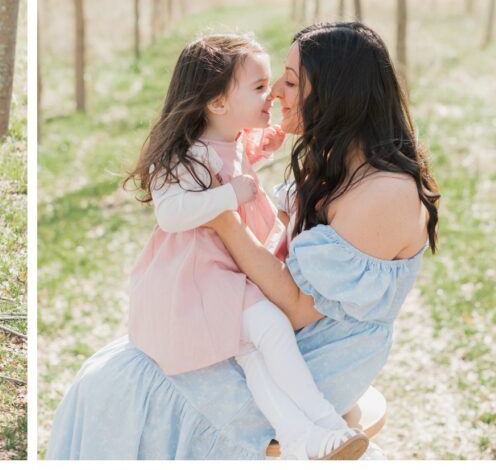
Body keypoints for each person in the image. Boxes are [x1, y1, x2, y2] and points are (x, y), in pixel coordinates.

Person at [46, 21, 440, 460]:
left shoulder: (385, 193)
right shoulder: (338, 162)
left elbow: (296, 306)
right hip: (278, 331)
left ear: (336, 95)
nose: (274, 94)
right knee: (110, 374)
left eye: (289, 82)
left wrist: (225, 222)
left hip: (316, 353)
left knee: (120, 386)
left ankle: (310, 432)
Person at [125, 33, 366, 460]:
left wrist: (266, 141)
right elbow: (171, 214)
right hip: (202, 277)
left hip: (228, 271)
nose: (271, 94)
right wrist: (229, 196)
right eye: (258, 88)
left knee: (256, 358)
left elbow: (241, 150)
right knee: (270, 332)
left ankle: (297, 437)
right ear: (217, 103)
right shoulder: (185, 156)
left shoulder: (228, 138)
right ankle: (324, 421)